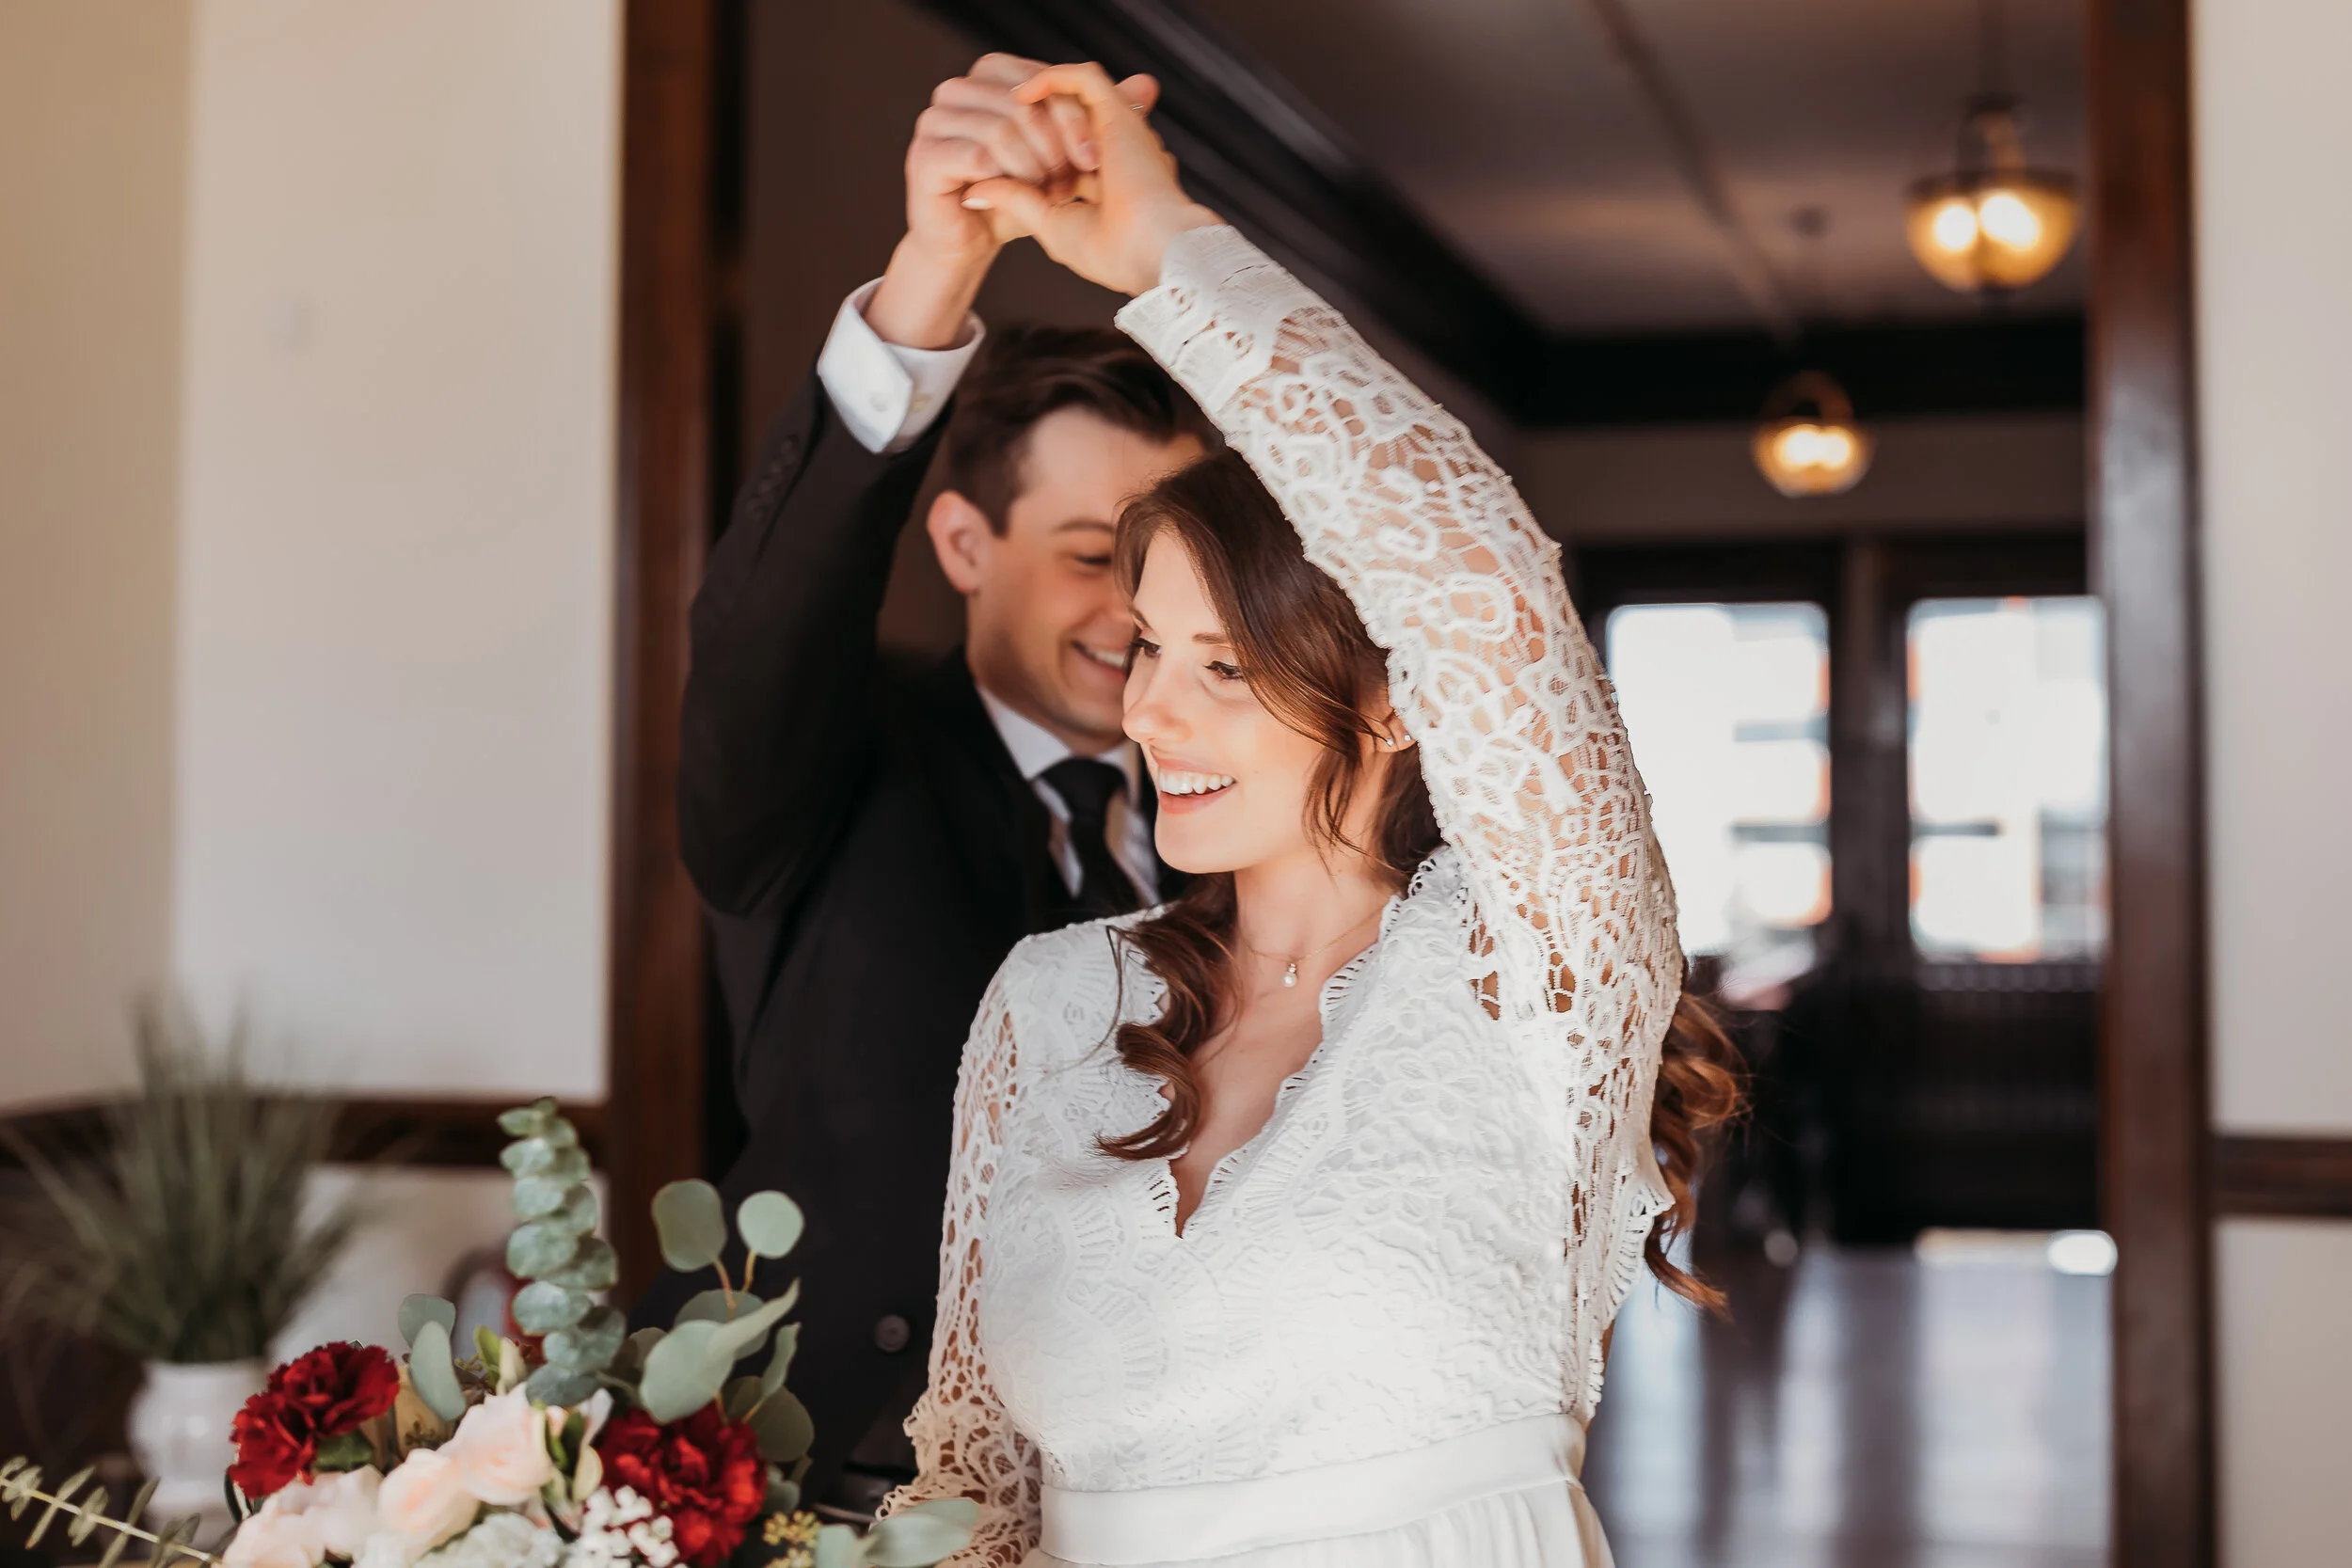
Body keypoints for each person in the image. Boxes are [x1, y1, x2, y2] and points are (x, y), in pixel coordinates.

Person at [881, 63, 1740, 1566]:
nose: (1151, 712)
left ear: (1398, 690)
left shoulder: (1528, 966)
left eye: (1229, 665)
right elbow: (980, 1488)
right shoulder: (1052, 1000)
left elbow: (1481, 587)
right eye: (1150, 649)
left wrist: (1170, 256)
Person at [636, 55, 1212, 1515]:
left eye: (1158, 566)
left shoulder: (1241, 815)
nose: (1129, 611)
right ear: (962, 544)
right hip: (813, 1486)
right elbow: (759, 628)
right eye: (1091, 554)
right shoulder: (838, 755)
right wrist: (931, 275)